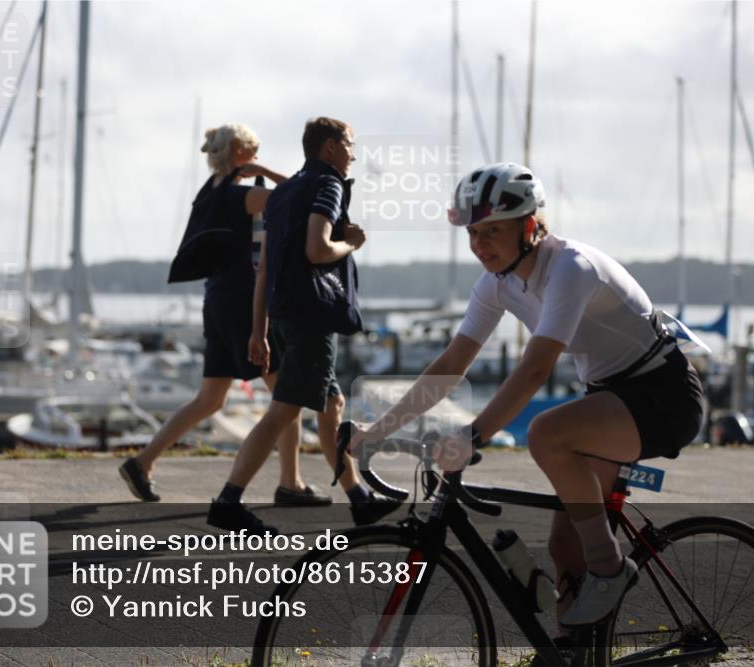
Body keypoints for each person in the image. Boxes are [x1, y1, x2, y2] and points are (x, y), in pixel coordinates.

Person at [349, 162, 704, 630]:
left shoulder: (570, 268)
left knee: (546, 433)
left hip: (664, 393)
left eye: (492, 232)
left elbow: (535, 369)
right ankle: (571, 654)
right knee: (562, 547)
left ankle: (611, 568)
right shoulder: (498, 284)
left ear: (531, 227)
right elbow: (450, 366)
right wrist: (377, 431)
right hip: (610, 395)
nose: (479, 245)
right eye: (474, 234)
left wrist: (473, 436)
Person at [120, 123, 332, 507]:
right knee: (287, 393)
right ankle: (291, 483)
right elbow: (300, 196)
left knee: (210, 398)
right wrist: (266, 173)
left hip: (215, 298)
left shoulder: (209, 192)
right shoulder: (241, 195)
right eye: (254, 149)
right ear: (238, 152)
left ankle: (143, 462)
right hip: (240, 299)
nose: (257, 155)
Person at [206, 117, 400, 535]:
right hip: (312, 316)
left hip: (283, 314)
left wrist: (259, 330)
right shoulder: (328, 185)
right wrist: (351, 242)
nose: (353, 154)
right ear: (329, 147)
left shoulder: (283, 193)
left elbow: (264, 269)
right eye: (349, 145)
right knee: (283, 411)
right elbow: (317, 249)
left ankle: (359, 498)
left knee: (331, 406)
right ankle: (228, 501)